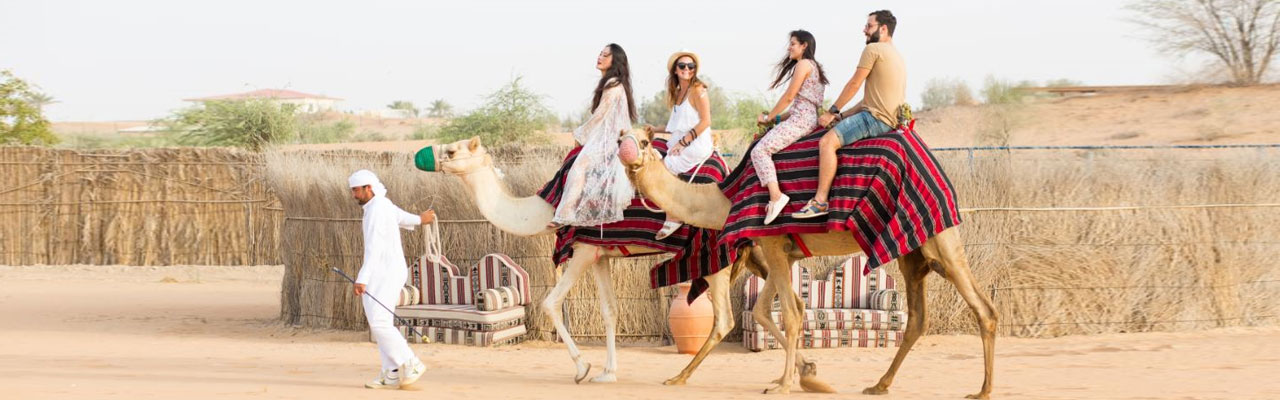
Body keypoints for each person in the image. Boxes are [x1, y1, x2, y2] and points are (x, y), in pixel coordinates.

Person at [793, 10, 906, 219]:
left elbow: (854, 84)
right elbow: (868, 100)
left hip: (874, 119)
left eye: (869, 26)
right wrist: (842, 116)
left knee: (827, 142)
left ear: (883, 29)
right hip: (886, 118)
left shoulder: (873, 49)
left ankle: (819, 202)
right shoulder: (896, 56)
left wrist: (831, 111)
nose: (864, 29)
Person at [348, 169, 436, 390]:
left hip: (384, 272)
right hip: (384, 271)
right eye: (352, 191)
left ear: (369, 188)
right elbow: (402, 216)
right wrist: (420, 219)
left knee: (379, 322)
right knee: (380, 323)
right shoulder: (381, 205)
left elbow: (374, 248)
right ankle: (391, 373)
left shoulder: (378, 208)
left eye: (356, 190)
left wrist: (362, 278)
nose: (354, 195)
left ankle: (410, 362)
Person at [551, 43, 638, 228]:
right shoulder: (614, 84)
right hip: (609, 138)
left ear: (615, 61)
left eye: (606, 55)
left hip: (610, 141)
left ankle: (566, 212)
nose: (600, 57)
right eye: (600, 53)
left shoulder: (612, 85)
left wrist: (580, 135)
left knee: (579, 167)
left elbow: (599, 116)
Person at [751, 30, 829, 224]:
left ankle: (776, 196)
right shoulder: (814, 67)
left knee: (759, 151)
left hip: (800, 120)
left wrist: (769, 117)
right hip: (804, 117)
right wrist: (777, 120)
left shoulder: (803, 64)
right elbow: (801, 104)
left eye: (793, 43)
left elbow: (789, 97)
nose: (789, 47)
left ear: (804, 46)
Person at [643, 50, 714, 239]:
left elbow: (705, 121)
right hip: (681, 140)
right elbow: (676, 126)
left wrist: (683, 143)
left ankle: (674, 215)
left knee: (664, 169)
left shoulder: (698, 89)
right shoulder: (678, 93)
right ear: (675, 69)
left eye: (691, 66)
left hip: (696, 143)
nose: (687, 69)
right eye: (682, 66)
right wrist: (654, 129)